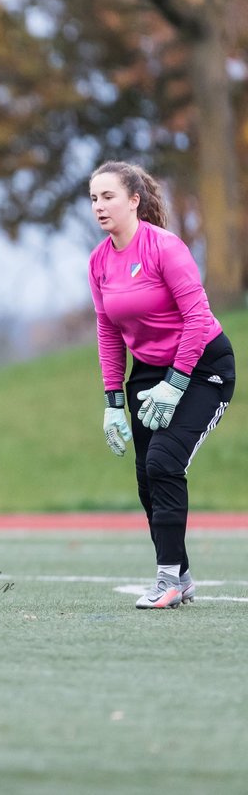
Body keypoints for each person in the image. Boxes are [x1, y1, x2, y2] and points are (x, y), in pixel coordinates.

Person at [89, 160, 235, 610]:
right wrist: (114, 400)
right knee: (146, 477)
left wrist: (175, 384)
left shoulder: (165, 248)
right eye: (93, 198)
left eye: (108, 196)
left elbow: (196, 318)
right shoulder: (98, 262)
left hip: (204, 367)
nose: (99, 206)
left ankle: (167, 578)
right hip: (149, 372)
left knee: (165, 462)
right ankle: (182, 575)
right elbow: (108, 330)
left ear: (135, 200)